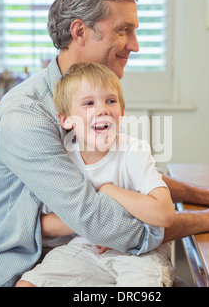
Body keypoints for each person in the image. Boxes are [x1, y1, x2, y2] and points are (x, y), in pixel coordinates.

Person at [0, 0, 209, 287]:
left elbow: (125, 174)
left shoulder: (92, 96)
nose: (135, 45)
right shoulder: (26, 116)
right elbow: (98, 219)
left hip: (90, 249)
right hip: (28, 263)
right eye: (124, 30)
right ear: (80, 32)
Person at [17, 62, 176, 287]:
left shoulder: (133, 151)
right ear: (66, 119)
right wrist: (98, 224)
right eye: (89, 103)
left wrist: (107, 190)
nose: (102, 109)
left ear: (121, 112)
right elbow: (43, 226)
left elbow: (164, 214)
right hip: (83, 248)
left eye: (110, 101)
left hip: (137, 251)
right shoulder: (61, 156)